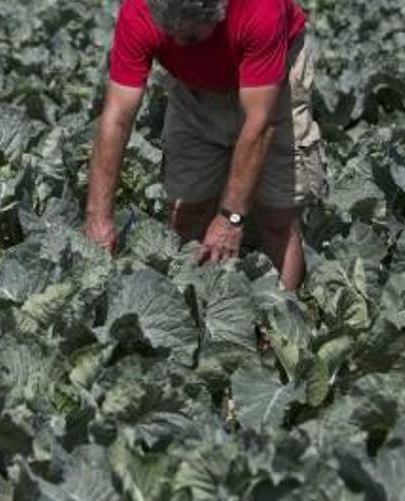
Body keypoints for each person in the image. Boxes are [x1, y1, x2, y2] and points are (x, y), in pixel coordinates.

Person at [83, 0, 325, 291]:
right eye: (168, 35)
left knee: (276, 217)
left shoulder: (260, 8)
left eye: (191, 37)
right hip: (193, 89)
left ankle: (279, 320)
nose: (180, 46)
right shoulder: (138, 9)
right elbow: (116, 117)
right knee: (186, 213)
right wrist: (98, 217)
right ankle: (194, 306)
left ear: (219, 11)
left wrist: (231, 218)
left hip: (274, 81)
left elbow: (260, 125)